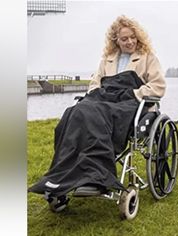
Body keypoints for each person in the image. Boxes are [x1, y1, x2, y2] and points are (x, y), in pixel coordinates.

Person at [28, 15, 166, 212]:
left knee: (94, 113)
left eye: (133, 37)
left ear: (138, 37)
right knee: (74, 112)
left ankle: (95, 175)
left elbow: (158, 87)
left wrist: (134, 93)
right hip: (104, 100)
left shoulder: (148, 58)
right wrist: (96, 92)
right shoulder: (107, 59)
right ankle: (62, 175)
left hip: (132, 103)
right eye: (124, 38)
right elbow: (95, 82)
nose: (129, 42)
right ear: (115, 40)